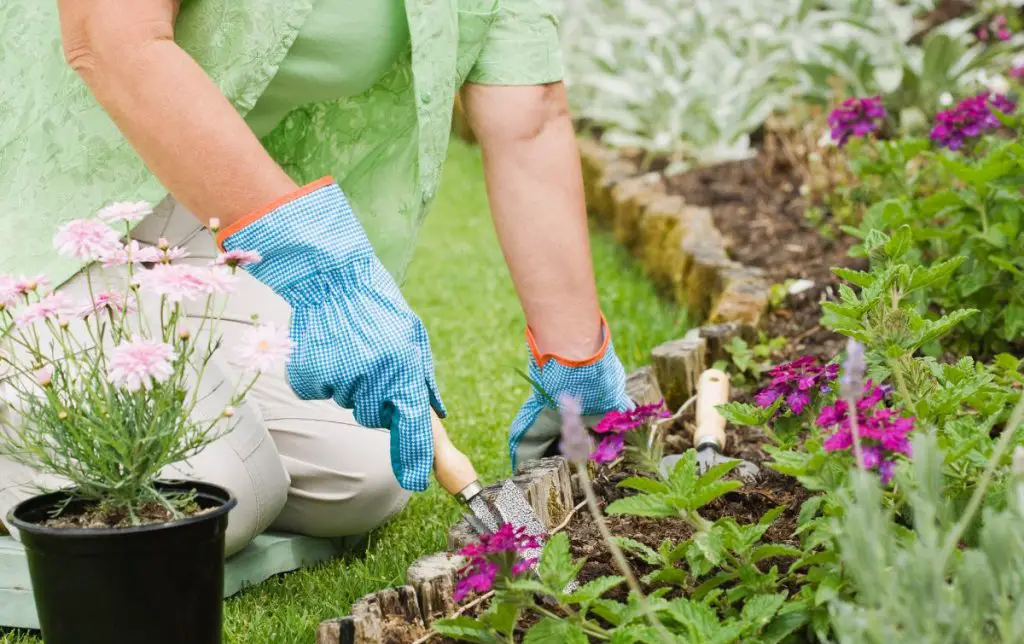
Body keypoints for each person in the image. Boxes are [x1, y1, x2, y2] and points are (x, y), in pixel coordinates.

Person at [0, 0, 632, 555]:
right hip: (35, 207)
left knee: (367, 476)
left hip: (191, 220)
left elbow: (532, 118)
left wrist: (577, 367)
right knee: (223, 496)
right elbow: (108, 37)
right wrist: (316, 261)